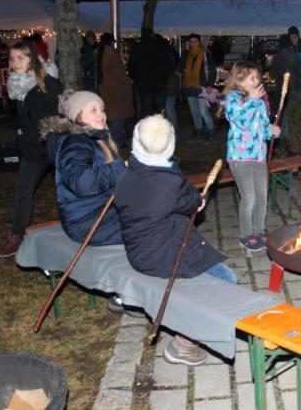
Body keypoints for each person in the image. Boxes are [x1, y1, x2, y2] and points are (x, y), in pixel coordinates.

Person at [114, 115, 237, 366]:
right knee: (226, 280)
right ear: (170, 146)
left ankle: (132, 302)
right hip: (162, 256)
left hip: (137, 252)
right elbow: (193, 202)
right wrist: (198, 201)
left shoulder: (126, 172)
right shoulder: (171, 183)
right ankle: (185, 343)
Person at [39, 90, 142, 317]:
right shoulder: (76, 143)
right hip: (89, 220)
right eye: (93, 110)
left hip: (99, 212)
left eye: (102, 109)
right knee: (150, 228)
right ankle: (126, 296)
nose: (101, 114)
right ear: (78, 116)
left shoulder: (93, 138)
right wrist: (117, 169)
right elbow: (81, 183)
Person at [0, 41, 64, 257]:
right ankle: (17, 235)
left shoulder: (49, 84)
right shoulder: (18, 86)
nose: (15, 63)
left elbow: (66, 111)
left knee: (66, 190)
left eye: (20, 58)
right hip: (32, 150)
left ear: (33, 59)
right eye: (12, 58)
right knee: (23, 191)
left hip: (54, 147)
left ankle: (76, 228)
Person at [222, 61, 281, 252]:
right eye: (253, 78)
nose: (258, 81)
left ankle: (259, 230)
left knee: (262, 196)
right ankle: (247, 234)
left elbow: (262, 126)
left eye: (258, 77)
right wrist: (254, 101)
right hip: (240, 159)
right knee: (249, 198)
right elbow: (242, 123)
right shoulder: (232, 100)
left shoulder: (259, 101)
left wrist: (272, 130)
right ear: (240, 80)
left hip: (259, 156)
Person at [127, 29, 177, 118]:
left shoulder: (137, 48)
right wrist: (165, 77)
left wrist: (136, 79)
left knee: (146, 110)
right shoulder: (160, 47)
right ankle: (160, 130)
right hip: (159, 84)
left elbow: (131, 67)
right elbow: (170, 64)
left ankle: (147, 130)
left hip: (144, 85)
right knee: (160, 110)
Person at [97, 33, 135, 147]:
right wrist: (128, 84)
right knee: (117, 117)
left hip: (105, 87)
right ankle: (116, 141)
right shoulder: (111, 53)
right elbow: (119, 72)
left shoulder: (99, 53)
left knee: (112, 116)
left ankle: (113, 140)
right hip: (116, 89)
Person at [181, 33, 217, 142]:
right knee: (194, 111)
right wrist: (185, 51)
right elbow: (181, 66)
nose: (193, 43)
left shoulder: (205, 54)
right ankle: (198, 132)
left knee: (203, 112)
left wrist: (210, 84)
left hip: (202, 87)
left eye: (195, 41)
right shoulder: (188, 54)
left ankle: (211, 134)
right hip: (190, 87)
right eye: (191, 41)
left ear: (199, 42)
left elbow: (212, 70)